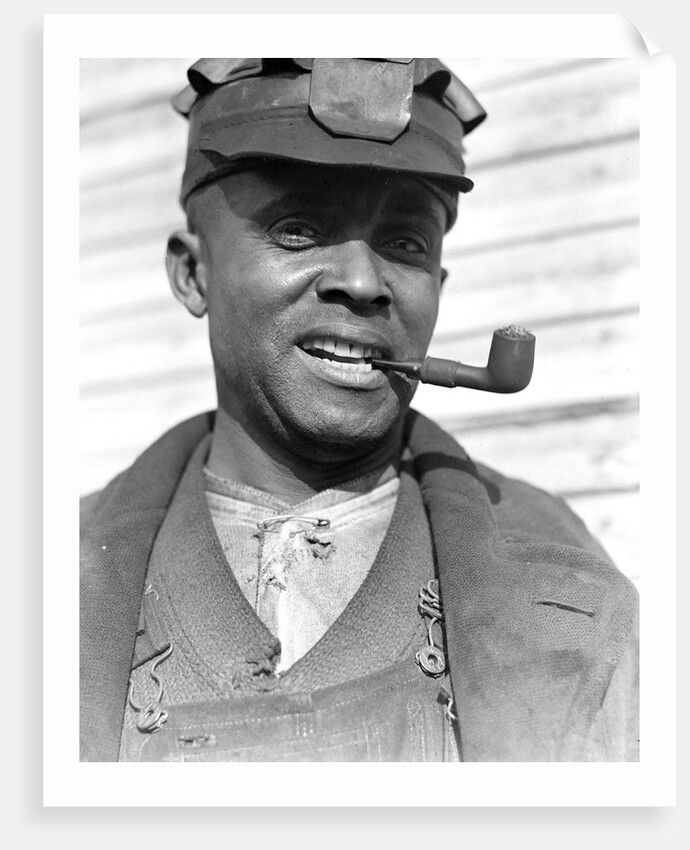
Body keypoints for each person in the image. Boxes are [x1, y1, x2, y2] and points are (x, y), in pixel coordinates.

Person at [80, 58, 639, 762]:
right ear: (193, 274)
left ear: (438, 284)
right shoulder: (50, 581)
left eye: (404, 243)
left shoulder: (567, 586)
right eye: (297, 229)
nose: (362, 281)